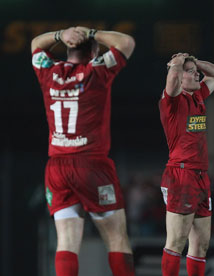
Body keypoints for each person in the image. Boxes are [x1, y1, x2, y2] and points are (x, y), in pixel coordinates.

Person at [31, 26, 135, 276]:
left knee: (66, 241)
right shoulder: (96, 72)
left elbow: (35, 44)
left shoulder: (48, 71)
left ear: (68, 48)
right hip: (91, 164)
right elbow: (126, 42)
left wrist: (60, 35)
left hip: (57, 167)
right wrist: (91, 32)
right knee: (116, 238)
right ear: (95, 51)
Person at [158, 53, 214, 276]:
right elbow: (172, 80)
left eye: (195, 71)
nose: (196, 74)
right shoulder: (172, 101)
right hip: (181, 173)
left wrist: (195, 62)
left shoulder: (198, 96)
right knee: (177, 240)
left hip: (200, 175)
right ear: (179, 76)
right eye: (190, 72)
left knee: (201, 244)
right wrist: (177, 63)